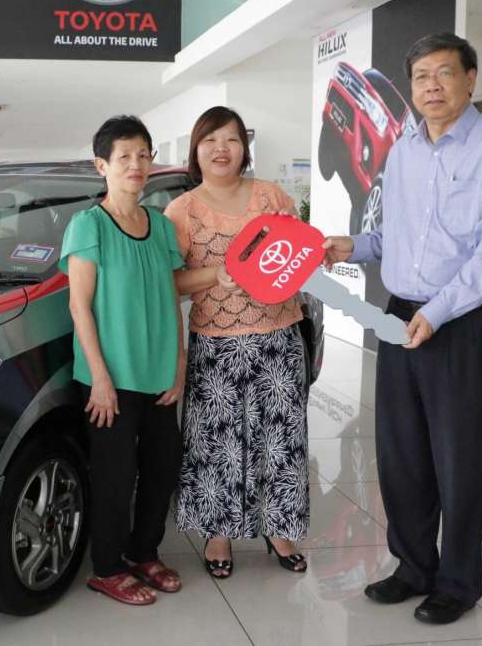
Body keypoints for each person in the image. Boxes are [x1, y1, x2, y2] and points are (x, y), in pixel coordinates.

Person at [323, 33, 482, 624]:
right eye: (420, 76)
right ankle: (413, 566)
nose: (431, 86)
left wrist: (436, 312)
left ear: (470, 78)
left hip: (462, 322)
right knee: (400, 451)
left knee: (460, 456)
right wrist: (351, 245)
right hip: (400, 313)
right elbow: (394, 237)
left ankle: (459, 581)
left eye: (444, 73)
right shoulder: (404, 149)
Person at [165, 106, 309, 579]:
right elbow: (171, 282)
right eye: (210, 140)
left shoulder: (270, 195)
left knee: (280, 439)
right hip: (216, 343)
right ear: (196, 151)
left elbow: (297, 254)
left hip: (278, 336)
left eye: (230, 139)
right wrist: (217, 276)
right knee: (216, 443)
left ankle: (279, 527)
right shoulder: (181, 210)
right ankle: (218, 533)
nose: (221, 149)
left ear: (244, 149)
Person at [60, 115, 185, 606]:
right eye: (124, 157)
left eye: (143, 155)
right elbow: (78, 306)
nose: (136, 165)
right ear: (102, 166)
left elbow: (171, 297)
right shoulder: (89, 225)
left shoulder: (159, 226)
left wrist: (177, 363)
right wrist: (99, 379)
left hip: (158, 373)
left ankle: (143, 551)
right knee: (115, 477)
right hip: (111, 379)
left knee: (162, 468)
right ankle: (107, 567)